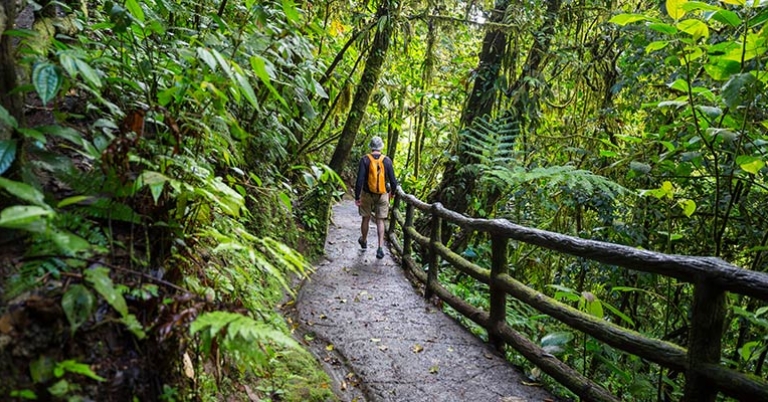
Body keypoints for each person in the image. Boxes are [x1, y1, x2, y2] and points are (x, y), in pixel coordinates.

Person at [354, 136, 398, 259]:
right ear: (381, 147)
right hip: (383, 194)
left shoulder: (365, 160)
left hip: (367, 194)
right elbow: (393, 181)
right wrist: (392, 193)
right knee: (380, 221)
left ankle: (364, 240)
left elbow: (360, 180)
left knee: (365, 218)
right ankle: (379, 248)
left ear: (371, 146)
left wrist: (357, 196)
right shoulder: (387, 161)